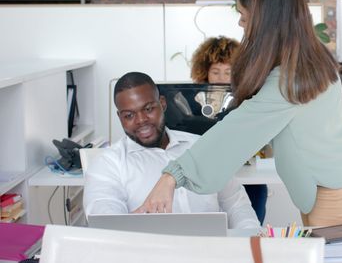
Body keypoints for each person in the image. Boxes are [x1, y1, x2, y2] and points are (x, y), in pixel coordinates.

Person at [136, 0, 342, 227]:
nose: (240, 23)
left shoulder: (291, 80)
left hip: (332, 187)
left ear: (266, 21)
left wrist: (172, 177)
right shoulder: (305, 61)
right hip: (334, 179)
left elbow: (238, 130)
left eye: (243, 16)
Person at [83, 72, 259, 229]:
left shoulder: (202, 147)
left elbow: (237, 205)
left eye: (148, 109)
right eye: (129, 115)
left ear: (162, 103)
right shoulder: (108, 164)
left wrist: (249, 242)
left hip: (210, 252)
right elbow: (106, 220)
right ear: (119, 117)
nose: (141, 120)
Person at [190, 36, 269, 225]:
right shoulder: (193, 101)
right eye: (215, 72)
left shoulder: (252, 100)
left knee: (249, 227)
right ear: (204, 73)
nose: (221, 78)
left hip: (247, 177)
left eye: (228, 72)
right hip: (209, 177)